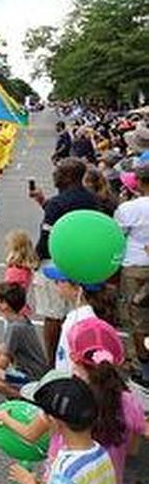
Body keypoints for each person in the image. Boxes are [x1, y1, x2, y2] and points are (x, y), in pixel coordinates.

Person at [0, 318, 143, 484]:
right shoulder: (103, 451)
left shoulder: (65, 398)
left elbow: (30, 434)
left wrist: (29, 482)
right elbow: (132, 450)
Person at [30, 158, 103, 359]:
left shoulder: (58, 203)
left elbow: (47, 238)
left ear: (69, 176)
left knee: (53, 315)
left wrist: (35, 259)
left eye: (59, 172)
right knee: (76, 313)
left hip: (55, 263)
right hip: (82, 261)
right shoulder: (91, 199)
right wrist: (43, 201)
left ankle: (52, 361)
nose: (54, 174)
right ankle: (77, 355)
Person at [6, 377, 117, 484]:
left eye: (43, 414)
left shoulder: (66, 470)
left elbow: (70, 482)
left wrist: (28, 483)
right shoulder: (101, 451)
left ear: (54, 421)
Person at [0, 282, 48, 397]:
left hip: (30, 376)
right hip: (37, 371)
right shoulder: (19, 319)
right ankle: (20, 389)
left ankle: (24, 396)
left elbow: (3, 362)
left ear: (4, 305)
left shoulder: (15, 327)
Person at [113, 164, 149, 389]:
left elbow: (117, 236)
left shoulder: (129, 208)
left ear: (140, 183)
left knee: (137, 318)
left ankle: (141, 365)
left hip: (135, 266)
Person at [3, 230, 40, 317]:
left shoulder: (15, 271)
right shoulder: (25, 269)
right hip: (21, 305)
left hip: (14, 308)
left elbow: (10, 291)